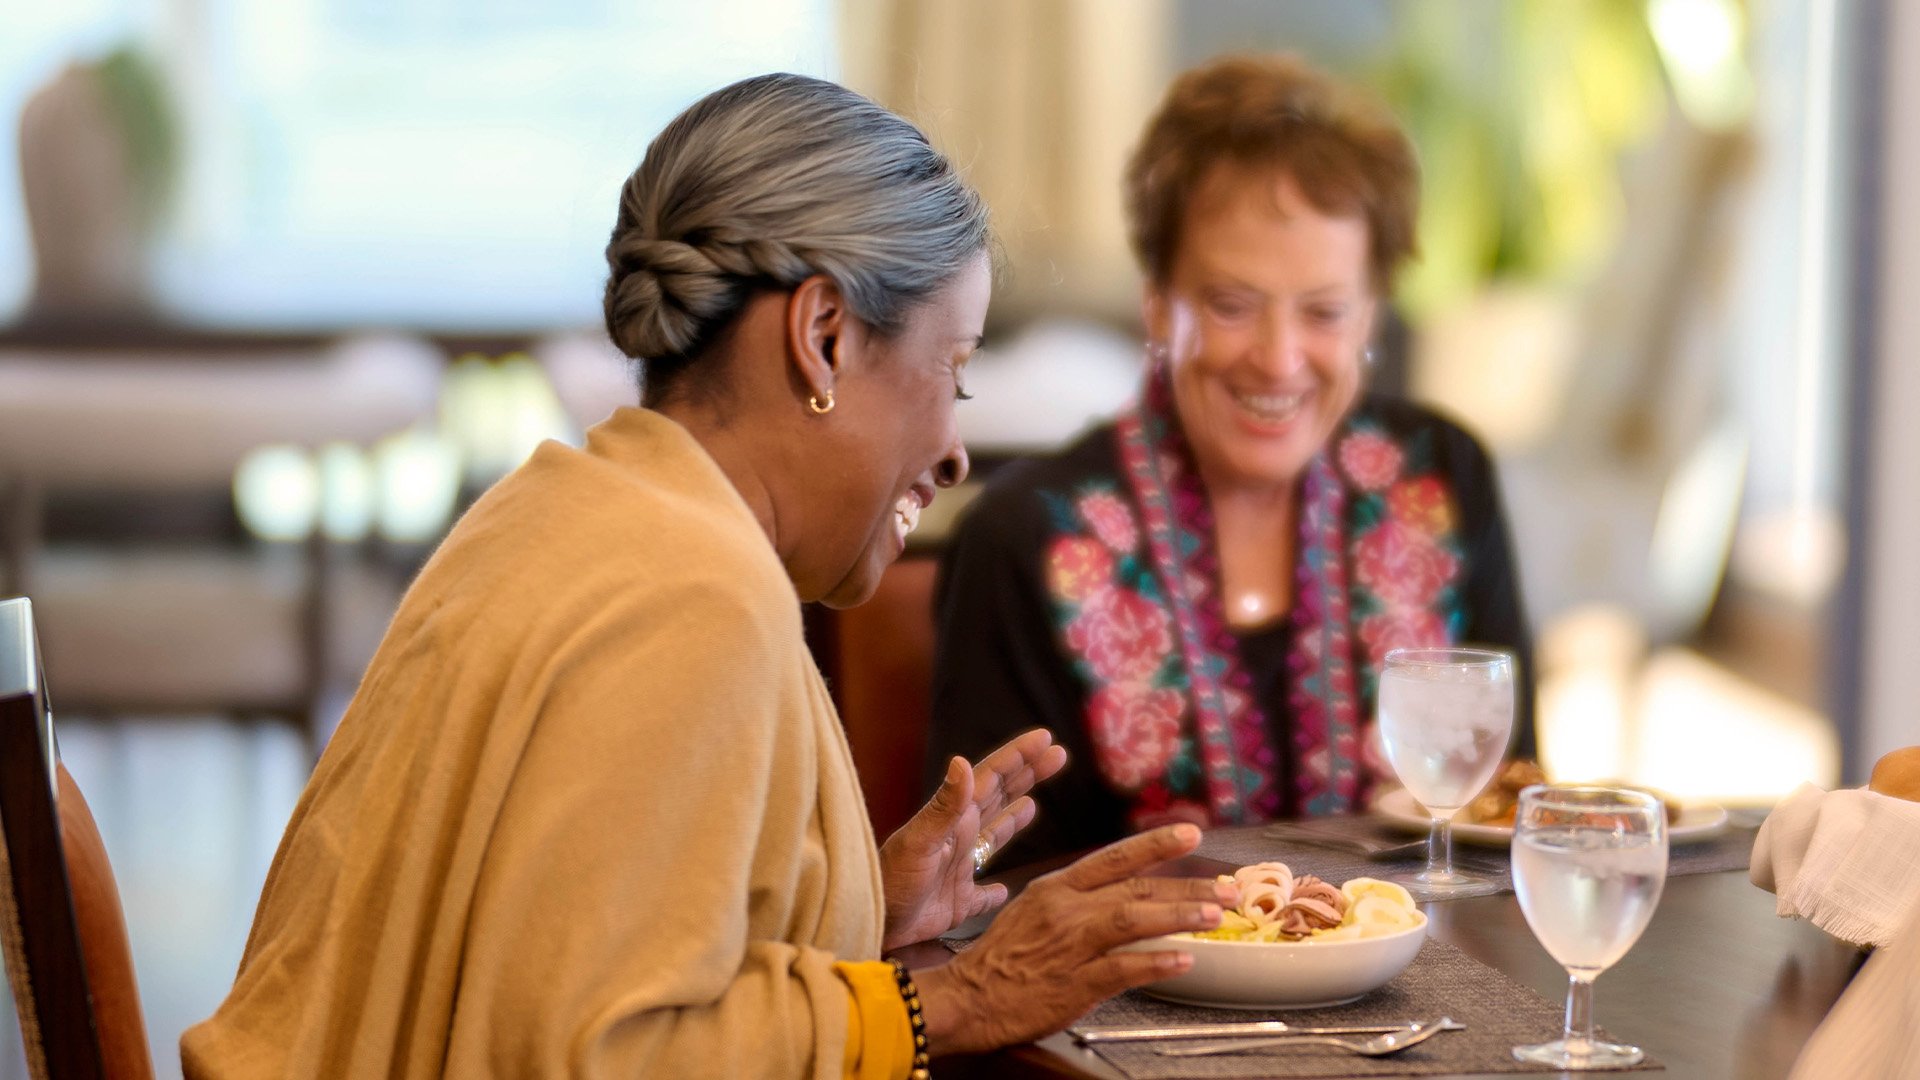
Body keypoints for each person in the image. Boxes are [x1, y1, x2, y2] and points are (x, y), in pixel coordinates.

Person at [180, 74, 1236, 1080]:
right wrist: (957, 996)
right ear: (823, 337)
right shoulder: (693, 601)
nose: (956, 447)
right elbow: (615, 1051)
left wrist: (853, 908)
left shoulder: (564, 506)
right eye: (950, 374)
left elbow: (565, 936)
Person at [928, 54, 1535, 865]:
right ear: (1157, 301)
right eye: (1231, 305)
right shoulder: (1023, 540)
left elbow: (1507, 809)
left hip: (1445, 982)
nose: (1279, 360)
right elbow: (993, 892)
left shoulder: (1441, 478)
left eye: (1324, 311)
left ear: (1372, 320)